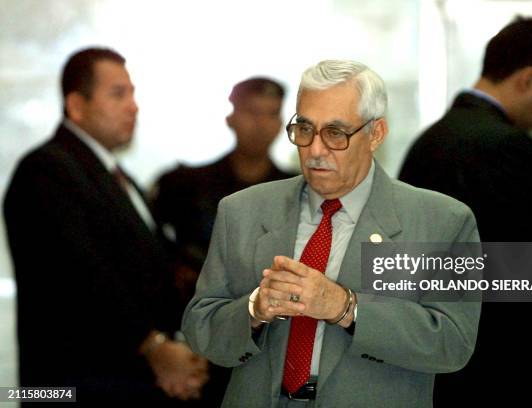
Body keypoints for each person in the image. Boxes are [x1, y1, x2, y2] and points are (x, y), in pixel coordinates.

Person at [182, 60, 481, 407]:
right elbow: (200, 327)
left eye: (336, 133)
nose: (315, 150)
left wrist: (346, 307)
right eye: (305, 129)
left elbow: (452, 344)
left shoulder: (441, 221)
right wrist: (253, 309)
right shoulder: (242, 211)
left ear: (376, 134)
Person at [398, 17, 532, 407]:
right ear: (527, 80)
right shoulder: (510, 148)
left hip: (441, 376)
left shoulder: (426, 145)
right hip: (506, 378)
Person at [3, 47, 207, 403]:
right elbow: (79, 274)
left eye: (132, 93)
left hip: (132, 384)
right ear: (76, 105)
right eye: (118, 94)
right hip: (72, 389)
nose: (134, 106)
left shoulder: (116, 176)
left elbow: (160, 263)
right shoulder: (46, 170)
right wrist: (155, 347)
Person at [152, 77, 294, 406]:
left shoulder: (295, 192)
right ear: (231, 116)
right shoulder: (184, 187)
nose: (260, 124)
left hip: (272, 343)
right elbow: (156, 261)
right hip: (197, 342)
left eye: (271, 113)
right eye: (251, 112)